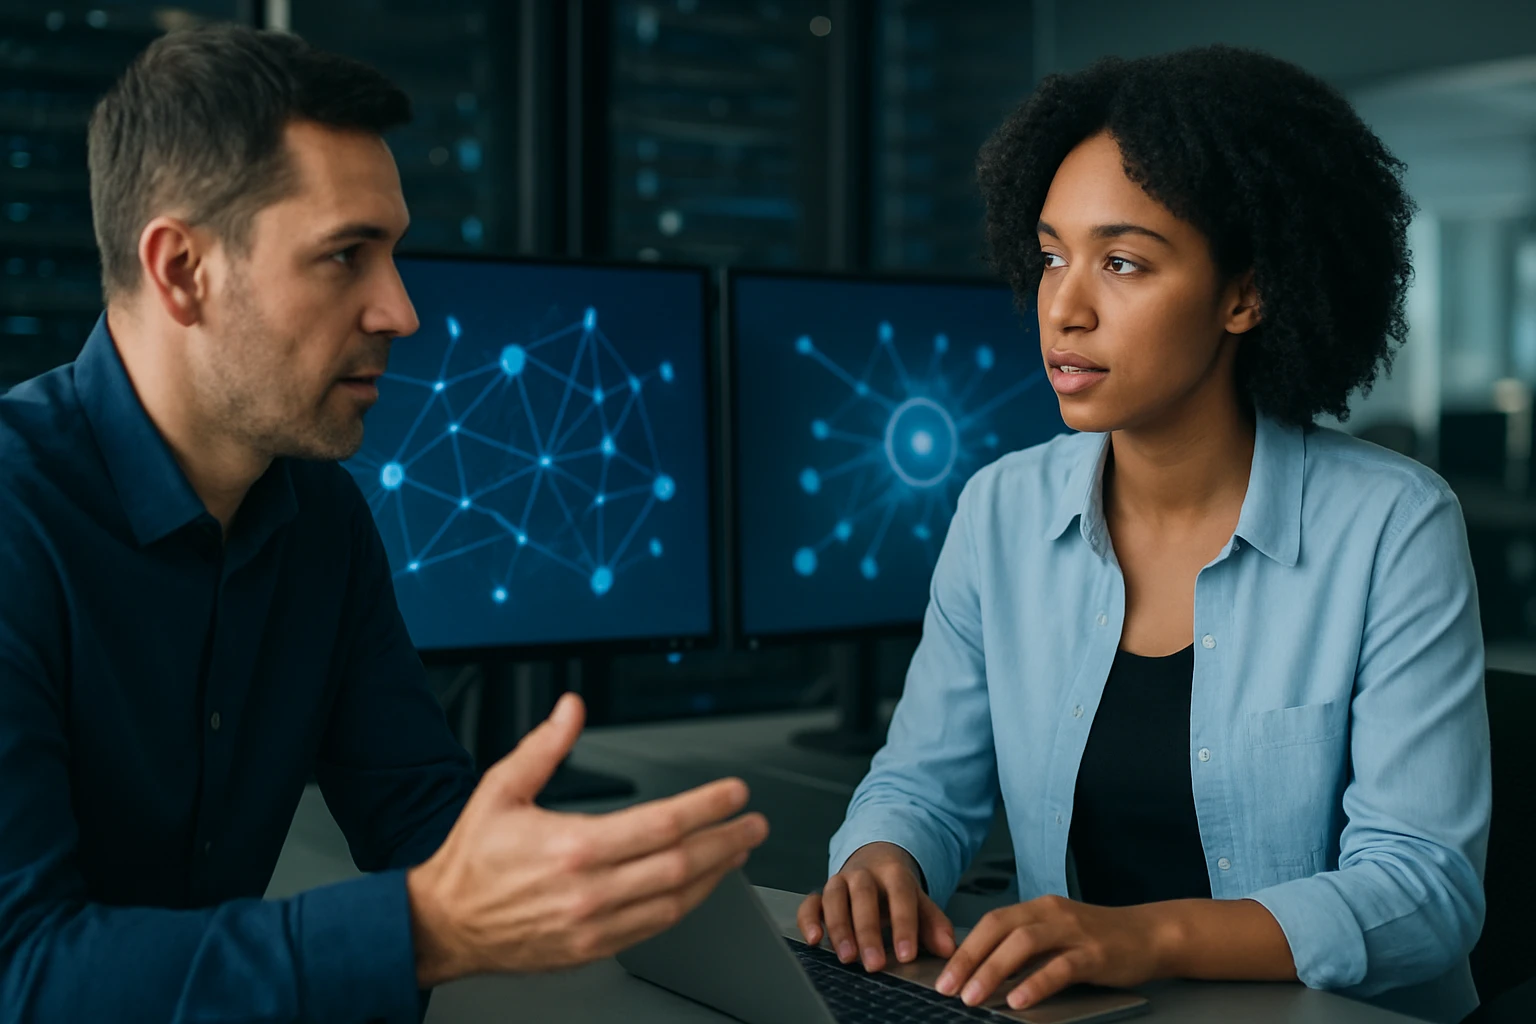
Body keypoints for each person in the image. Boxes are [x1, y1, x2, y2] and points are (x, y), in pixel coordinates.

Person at [0, 25, 767, 1022]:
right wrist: (425, 929)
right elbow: (24, 973)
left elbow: (420, 820)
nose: (401, 310)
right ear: (182, 269)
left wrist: (607, 874)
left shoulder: (320, 516)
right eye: (345, 257)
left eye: (393, 254)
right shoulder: (17, 520)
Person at [798, 45, 1490, 1024]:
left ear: (1246, 293)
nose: (1064, 307)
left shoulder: (1393, 525)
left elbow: (1426, 894)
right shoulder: (1000, 510)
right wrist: (882, 856)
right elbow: (922, 781)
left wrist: (1139, 935)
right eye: (1051, 255)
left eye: (1122, 262)